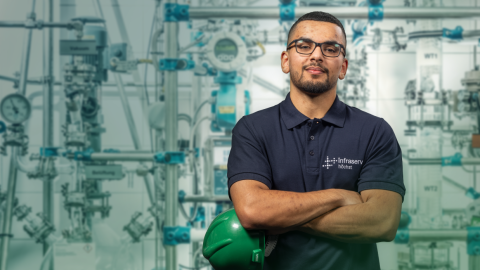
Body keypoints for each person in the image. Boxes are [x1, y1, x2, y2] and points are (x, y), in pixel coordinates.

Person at [227, 11, 405, 270]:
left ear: (343, 67)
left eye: (331, 48)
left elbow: (383, 221)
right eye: (304, 45)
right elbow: (253, 210)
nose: (317, 55)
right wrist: (339, 197)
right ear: (286, 61)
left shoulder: (374, 131)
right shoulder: (253, 129)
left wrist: (279, 215)